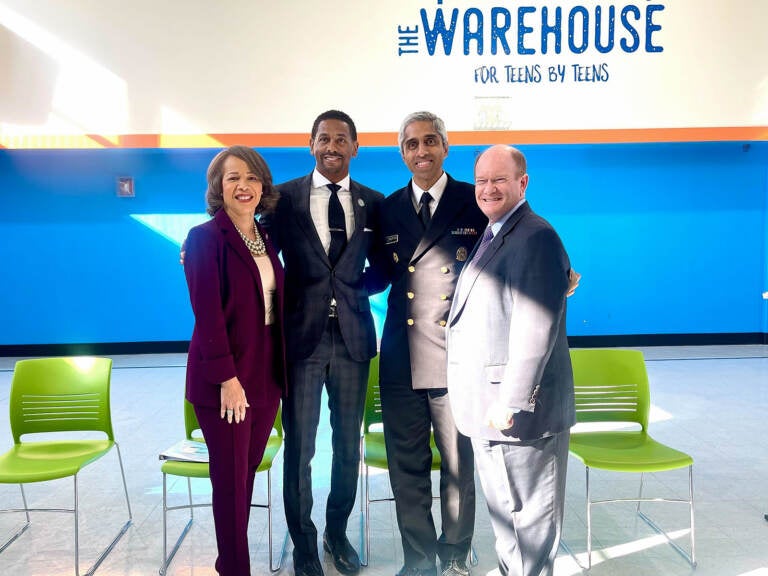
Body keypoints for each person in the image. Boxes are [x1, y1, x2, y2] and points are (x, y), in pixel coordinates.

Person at [264, 110, 384, 576]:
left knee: (348, 448)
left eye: (341, 139)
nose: (332, 146)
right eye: (323, 138)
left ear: (356, 147)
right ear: (310, 145)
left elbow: (390, 263)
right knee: (300, 449)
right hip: (301, 342)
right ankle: (305, 544)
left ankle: (337, 532)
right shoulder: (282, 200)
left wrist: (351, 287)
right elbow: (251, 245)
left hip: (353, 341)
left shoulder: (374, 203)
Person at [446, 145, 575, 576]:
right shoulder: (497, 231)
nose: (487, 188)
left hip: (517, 417)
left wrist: (511, 400)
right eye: (481, 180)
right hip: (489, 411)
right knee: (508, 522)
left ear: (523, 182)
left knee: (530, 525)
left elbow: (536, 328)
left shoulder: (535, 235)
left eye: (499, 179)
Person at [366, 111, 484, 576]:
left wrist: (557, 273)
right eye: (412, 144)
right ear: (402, 152)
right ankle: (418, 559)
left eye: (430, 141)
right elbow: (374, 272)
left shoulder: (472, 200)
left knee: (458, 465)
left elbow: (506, 254)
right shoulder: (388, 208)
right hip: (401, 355)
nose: (421, 151)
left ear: (445, 147)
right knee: (407, 466)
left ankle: (454, 555)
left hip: (455, 356)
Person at [183, 145, 286, 576]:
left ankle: (229, 562)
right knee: (229, 483)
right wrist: (227, 378)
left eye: (251, 177)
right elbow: (206, 313)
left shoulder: (264, 237)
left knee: (243, 477)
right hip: (226, 379)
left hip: (266, 374)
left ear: (262, 185)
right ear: (218, 188)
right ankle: (236, 569)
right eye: (232, 178)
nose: (243, 186)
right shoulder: (204, 238)